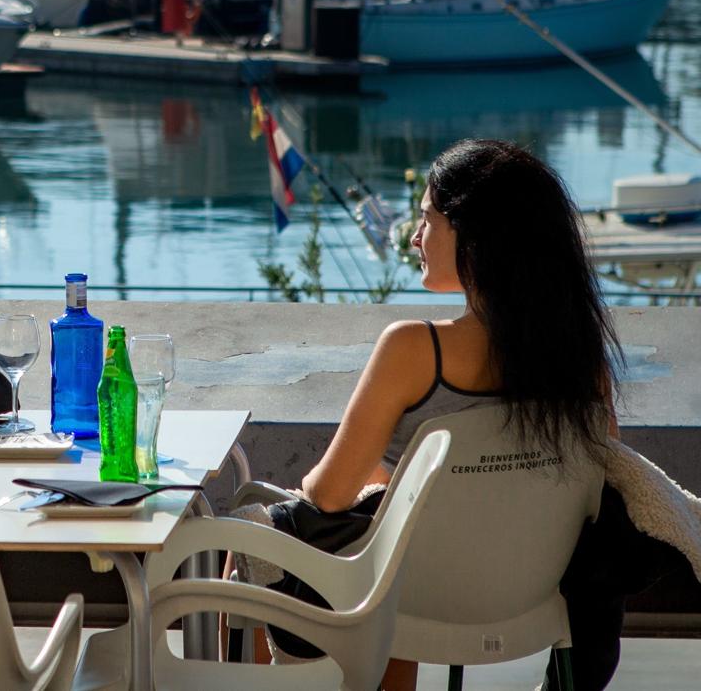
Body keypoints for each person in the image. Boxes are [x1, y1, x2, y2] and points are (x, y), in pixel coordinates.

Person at [229, 139, 690, 690]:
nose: (416, 237)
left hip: (410, 596)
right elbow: (586, 481)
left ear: (475, 235)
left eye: (427, 220)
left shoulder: (413, 349)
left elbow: (327, 494)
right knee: (393, 542)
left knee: (260, 541)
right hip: (529, 595)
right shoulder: (579, 356)